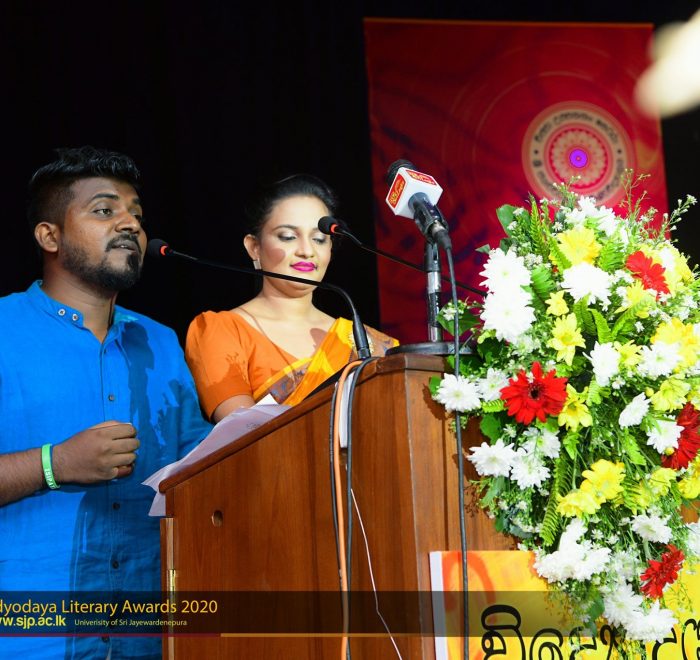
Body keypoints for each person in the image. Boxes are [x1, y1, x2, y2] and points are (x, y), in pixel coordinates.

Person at [0, 146, 212, 659]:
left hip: (148, 638)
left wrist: (275, 418)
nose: (130, 225)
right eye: (104, 210)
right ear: (49, 236)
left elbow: (197, 471)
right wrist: (54, 464)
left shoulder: (160, 342)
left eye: (136, 214)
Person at [185, 174, 398, 422]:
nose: (306, 250)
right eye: (287, 236)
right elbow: (245, 434)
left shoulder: (372, 343)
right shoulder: (222, 330)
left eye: (319, 239)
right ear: (254, 247)